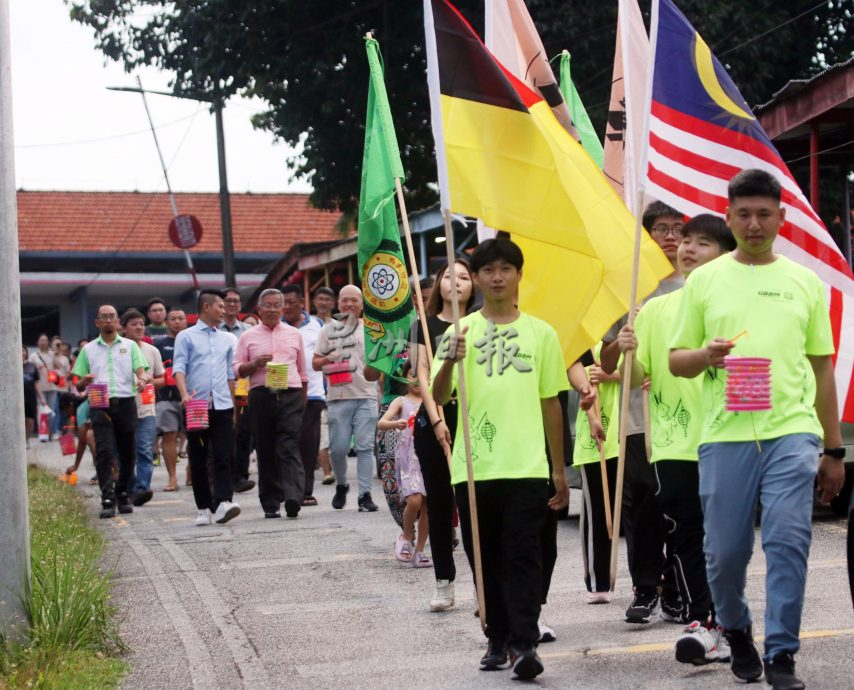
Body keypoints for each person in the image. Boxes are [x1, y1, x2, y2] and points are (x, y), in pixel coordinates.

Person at [669, 169, 846, 689]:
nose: (753, 223)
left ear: (780, 218)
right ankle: (737, 629)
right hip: (725, 435)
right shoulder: (704, 280)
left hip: (791, 431)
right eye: (743, 214)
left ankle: (783, 654)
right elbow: (678, 361)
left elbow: (820, 369)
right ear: (728, 217)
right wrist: (708, 355)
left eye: (764, 214)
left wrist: (833, 448)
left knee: (789, 541)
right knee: (725, 554)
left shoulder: (803, 282)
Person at [432, 238, 569, 680]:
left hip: (527, 467)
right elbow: (437, 397)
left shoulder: (541, 333)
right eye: (486, 270)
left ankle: (525, 643)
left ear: (518, 275)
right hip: (473, 468)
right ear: (476, 279)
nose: (496, 277)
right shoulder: (458, 332)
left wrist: (559, 469)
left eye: (505, 269)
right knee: (484, 555)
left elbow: (552, 403)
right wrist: (450, 362)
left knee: (523, 554)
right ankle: (497, 638)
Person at [618, 214, 736, 665]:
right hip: (673, 441)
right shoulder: (654, 310)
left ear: (724, 253)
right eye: (685, 240)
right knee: (685, 531)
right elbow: (641, 377)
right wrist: (628, 351)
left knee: (724, 539)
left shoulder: (734, 305)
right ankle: (703, 620)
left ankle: (726, 619)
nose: (687, 248)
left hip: (728, 439)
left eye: (702, 242)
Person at [600, 200, 686, 624]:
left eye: (677, 229)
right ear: (647, 238)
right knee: (643, 506)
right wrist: (624, 339)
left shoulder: (699, 286)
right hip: (639, 418)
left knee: (682, 504)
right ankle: (644, 587)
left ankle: (676, 586)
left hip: (689, 419)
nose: (670, 237)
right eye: (662, 229)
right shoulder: (631, 289)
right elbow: (608, 360)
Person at [412, 258, 475, 612]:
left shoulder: (482, 325)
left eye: (464, 276)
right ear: (439, 284)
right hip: (435, 416)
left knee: (473, 505)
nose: (456, 282)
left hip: (473, 418)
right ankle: (444, 581)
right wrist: (437, 421)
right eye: (448, 276)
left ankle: (484, 584)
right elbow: (422, 374)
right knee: (439, 505)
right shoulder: (423, 324)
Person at [234, 288, 308, 519]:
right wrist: (255, 363)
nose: (273, 309)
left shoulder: (294, 334)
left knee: (289, 444)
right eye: (268, 305)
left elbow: (303, 372)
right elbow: (237, 370)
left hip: (291, 393)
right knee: (265, 447)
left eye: (277, 305)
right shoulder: (247, 336)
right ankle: (270, 501)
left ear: (283, 308)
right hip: (261, 393)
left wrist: (302, 399)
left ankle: (294, 495)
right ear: (259, 308)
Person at [72, 304, 150, 518]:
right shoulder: (88, 350)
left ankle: (122, 491)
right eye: (104, 317)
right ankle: (107, 498)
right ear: (97, 322)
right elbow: (78, 384)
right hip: (99, 402)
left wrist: (142, 380)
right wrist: (83, 382)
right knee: (104, 452)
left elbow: (141, 372)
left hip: (125, 401)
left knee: (128, 453)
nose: (108, 321)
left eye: (112, 317)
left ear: (118, 322)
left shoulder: (130, 346)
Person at [173, 290, 241, 526]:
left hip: (222, 404)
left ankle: (223, 502)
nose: (224, 310)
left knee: (224, 455)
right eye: (220, 306)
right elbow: (179, 368)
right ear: (205, 307)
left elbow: (231, 375)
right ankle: (203, 507)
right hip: (196, 405)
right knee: (199, 457)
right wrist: (184, 395)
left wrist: (233, 405)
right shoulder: (186, 336)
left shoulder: (228, 339)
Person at [313, 285, 380, 512]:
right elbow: (314, 363)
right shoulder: (328, 329)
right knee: (338, 449)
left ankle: (365, 495)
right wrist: (328, 359)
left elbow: (379, 364)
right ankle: (342, 484)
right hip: (338, 397)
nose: (349, 304)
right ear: (338, 304)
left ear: (362, 305)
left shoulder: (371, 330)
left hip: (367, 395)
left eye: (354, 300)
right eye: (345, 300)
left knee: (364, 448)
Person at [571, 344, 618, 605]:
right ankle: (598, 579)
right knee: (596, 511)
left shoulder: (626, 331)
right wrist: (591, 416)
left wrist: (612, 374)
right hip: (595, 434)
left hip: (626, 432)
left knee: (631, 511)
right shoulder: (582, 339)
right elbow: (577, 376)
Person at [378, 363, 431, 568]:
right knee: (415, 500)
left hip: (428, 457)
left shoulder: (432, 400)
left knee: (428, 505)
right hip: (408, 459)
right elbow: (382, 422)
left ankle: (420, 550)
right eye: (412, 374)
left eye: (421, 374)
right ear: (405, 378)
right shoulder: (401, 401)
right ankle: (406, 536)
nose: (417, 379)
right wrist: (395, 424)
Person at [282, 284, 326, 506]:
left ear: (301, 302)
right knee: (286, 443)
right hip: (284, 393)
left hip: (313, 394)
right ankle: (288, 488)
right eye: (284, 303)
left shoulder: (317, 325)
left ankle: (306, 491)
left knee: (308, 444)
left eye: (291, 302)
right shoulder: (276, 327)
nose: (286, 307)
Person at [121, 308, 165, 507]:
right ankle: (127, 488)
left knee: (145, 449)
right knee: (125, 450)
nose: (139, 327)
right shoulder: (119, 349)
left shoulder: (152, 350)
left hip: (147, 408)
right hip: (124, 407)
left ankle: (141, 490)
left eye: (141, 323)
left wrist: (148, 383)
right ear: (123, 328)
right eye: (134, 324)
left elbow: (162, 378)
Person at [220, 287, 255, 494]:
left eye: (236, 301)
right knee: (225, 433)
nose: (232, 304)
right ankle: (224, 474)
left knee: (244, 431)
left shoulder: (247, 331)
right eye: (228, 301)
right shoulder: (216, 329)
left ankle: (241, 475)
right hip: (220, 387)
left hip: (243, 386)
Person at [154, 307, 187, 491]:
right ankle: (172, 478)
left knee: (196, 436)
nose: (177, 321)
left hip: (193, 397)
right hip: (166, 397)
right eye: (173, 318)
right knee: (169, 435)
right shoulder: (158, 345)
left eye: (180, 318)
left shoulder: (193, 341)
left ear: (186, 321)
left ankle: (192, 474)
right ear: (166, 322)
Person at [29, 333, 60, 439]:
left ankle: (51, 432)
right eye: (41, 340)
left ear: (48, 342)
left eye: (45, 340)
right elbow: (30, 371)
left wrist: (56, 352)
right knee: (41, 411)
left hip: (52, 386)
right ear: (38, 342)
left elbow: (58, 366)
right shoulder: (33, 356)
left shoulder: (52, 354)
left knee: (51, 411)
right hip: (39, 387)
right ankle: (43, 433)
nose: (43, 342)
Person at [22, 345, 45, 445]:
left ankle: (26, 440)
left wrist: (41, 397)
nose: (21, 353)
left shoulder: (32, 366)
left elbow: (37, 383)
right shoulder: (12, 365)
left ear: (26, 352)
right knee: (21, 419)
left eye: (23, 350)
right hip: (18, 398)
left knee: (30, 420)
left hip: (30, 397)